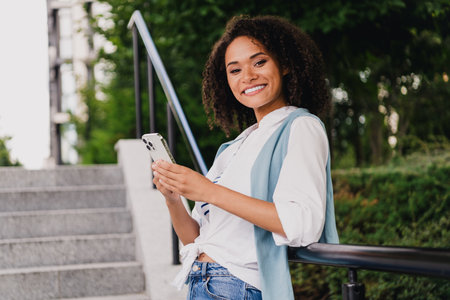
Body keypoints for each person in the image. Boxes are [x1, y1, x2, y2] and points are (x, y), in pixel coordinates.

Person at [151, 15, 339, 300]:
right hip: (201, 283)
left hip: (234, 287)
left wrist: (209, 191)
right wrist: (173, 198)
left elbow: (303, 225)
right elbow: (196, 240)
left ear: (285, 64)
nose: (248, 76)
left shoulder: (300, 126)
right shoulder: (234, 147)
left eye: (259, 62)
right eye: (234, 70)